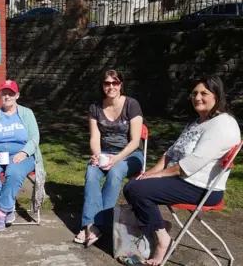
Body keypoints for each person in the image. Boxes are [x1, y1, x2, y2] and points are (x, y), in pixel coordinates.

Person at [122, 75, 241, 266]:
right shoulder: (196, 122)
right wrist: (151, 172)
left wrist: (157, 175)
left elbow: (191, 165)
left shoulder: (223, 124)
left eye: (204, 93)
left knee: (135, 189)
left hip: (203, 189)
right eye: (194, 93)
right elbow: (170, 153)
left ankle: (163, 241)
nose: (198, 98)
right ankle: (161, 227)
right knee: (136, 184)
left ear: (217, 96)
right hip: (184, 180)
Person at [74, 69, 144, 247]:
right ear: (102, 85)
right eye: (107, 83)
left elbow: (136, 141)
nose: (111, 86)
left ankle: (99, 224)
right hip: (105, 152)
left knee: (115, 173)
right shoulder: (95, 108)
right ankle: (89, 224)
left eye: (115, 83)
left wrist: (116, 159)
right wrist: (97, 155)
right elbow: (94, 137)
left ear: (121, 84)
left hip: (130, 154)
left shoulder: (131, 104)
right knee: (91, 172)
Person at [0, 80, 46, 231]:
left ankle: (2, 212)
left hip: (21, 154)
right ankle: (7, 204)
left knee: (13, 172)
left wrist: (24, 152)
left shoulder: (27, 113)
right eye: (4, 93)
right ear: (0, 96)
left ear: (17, 95)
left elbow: (35, 138)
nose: (7, 96)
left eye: (10, 93)